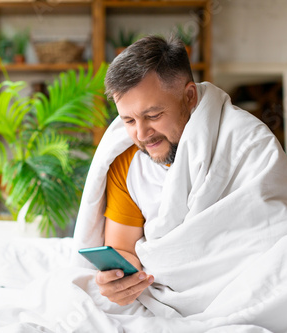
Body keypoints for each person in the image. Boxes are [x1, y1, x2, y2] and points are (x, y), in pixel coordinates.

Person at [96, 35, 198, 306]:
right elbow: (122, 249)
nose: (141, 134)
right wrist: (119, 279)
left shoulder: (241, 143)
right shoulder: (125, 164)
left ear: (189, 97)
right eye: (128, 120)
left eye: (153, 116)